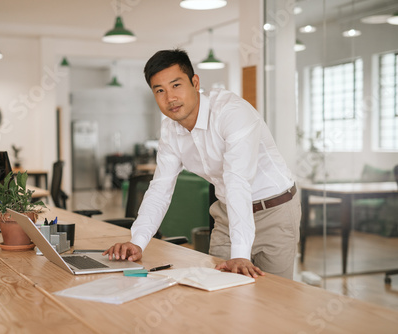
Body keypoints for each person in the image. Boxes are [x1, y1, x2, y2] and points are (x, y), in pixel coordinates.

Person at [103, 49, 301, 279]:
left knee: (274, 300)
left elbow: (237, 181)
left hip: (274, 211)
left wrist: (240, 254)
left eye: (176, 85)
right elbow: (160, 189)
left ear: (195, 82)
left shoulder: (231, 112)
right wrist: (137, 242)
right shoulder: (170, 130)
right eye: (160, 90)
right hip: (227, 216)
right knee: (221, 293)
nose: (170, 98)